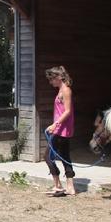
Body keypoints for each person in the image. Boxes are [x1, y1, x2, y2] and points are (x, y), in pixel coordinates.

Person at [44, 66, 75, 196]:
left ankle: (58, 185)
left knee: (48, 157)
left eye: (52, 79)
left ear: (59, 77)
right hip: (60, 129)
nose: (51, 82)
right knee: (65, 157)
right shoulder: (61, 90)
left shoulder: (66, 90)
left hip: (61, 130)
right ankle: (69, 187)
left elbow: (67, 111)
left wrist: (54, 125)